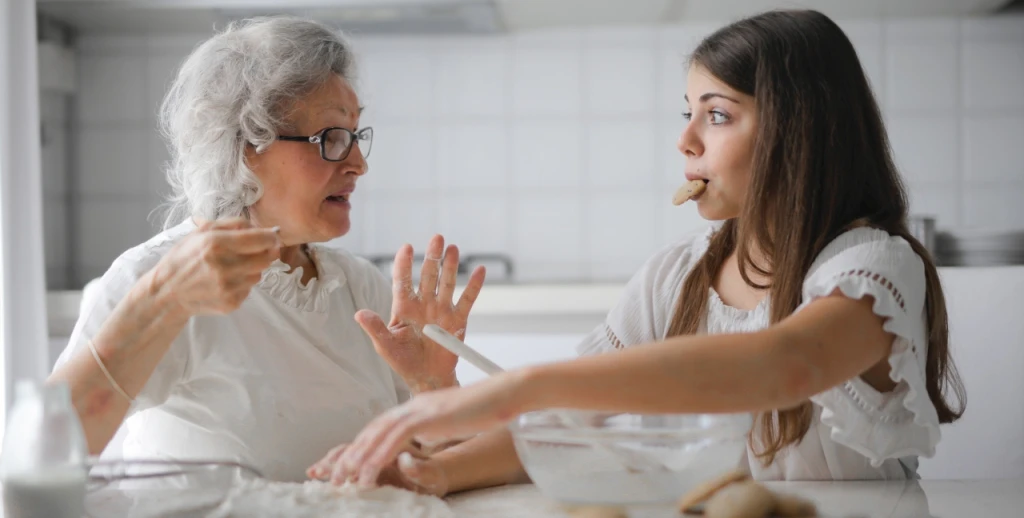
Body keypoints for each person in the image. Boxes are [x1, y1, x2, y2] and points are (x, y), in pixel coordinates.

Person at [311, 9, 967, 491]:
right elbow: (574, 423)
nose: (684, 140)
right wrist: (436, 469)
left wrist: (522, 384)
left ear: (800, 131)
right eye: (686, 112)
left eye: (716, 114)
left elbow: (787, 364)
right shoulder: (676, 276)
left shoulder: (874, 268)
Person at [48, 17, 484, 482]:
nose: (359, 163)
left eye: (355, 136)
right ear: (243, 146)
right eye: (331, 139)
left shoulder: (359, 288)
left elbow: (427, 465)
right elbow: (47, 451)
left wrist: (433, 387)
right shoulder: (156, 276)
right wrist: (160, 302)